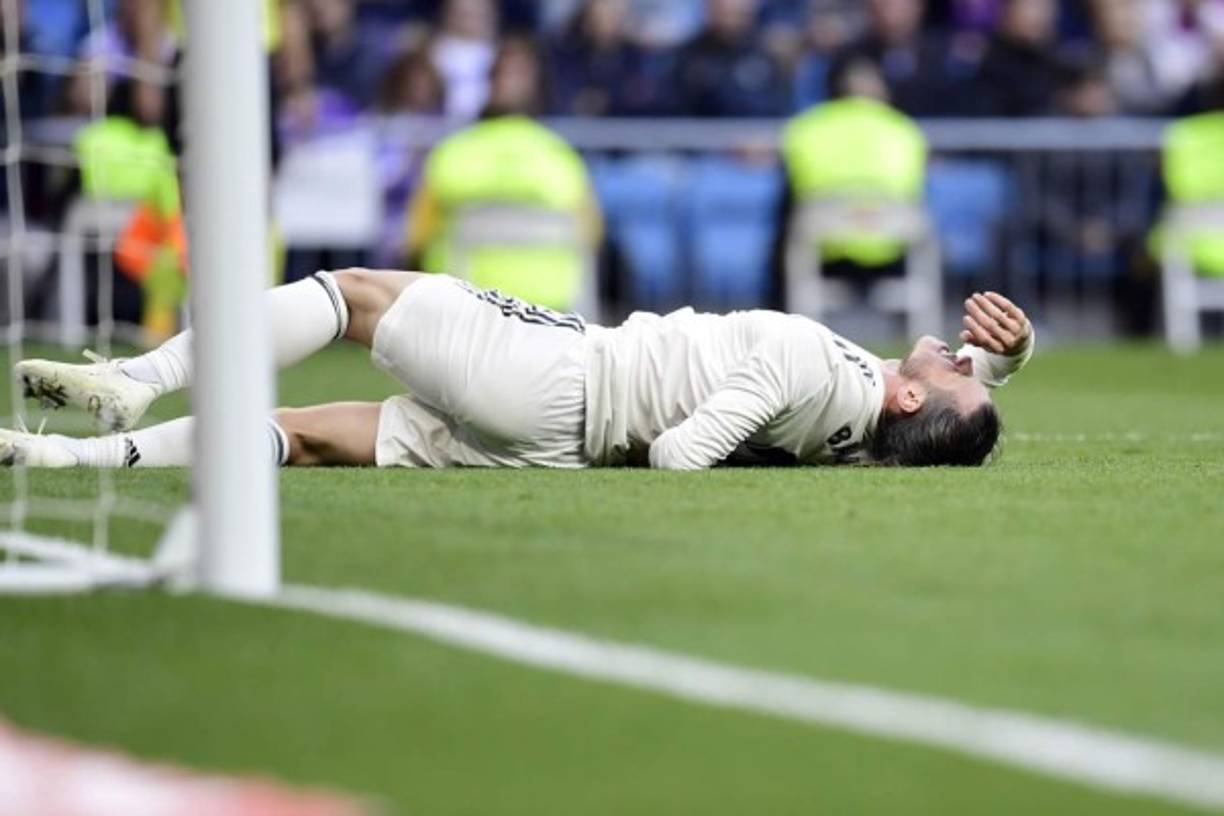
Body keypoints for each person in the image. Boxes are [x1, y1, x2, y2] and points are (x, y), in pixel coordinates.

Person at [2, 268, 1032, 471]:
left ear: (908, 396)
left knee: (352, 294)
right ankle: (63, 463)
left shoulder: (812, 364)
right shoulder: (869, 432)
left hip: (562, 375)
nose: (961, 351)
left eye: (961, 369)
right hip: (548, 445)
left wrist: (711, 437)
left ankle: (141, 377)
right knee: (313, 434)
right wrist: (1011, 361)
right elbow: (946, 412)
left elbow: (679, 455)